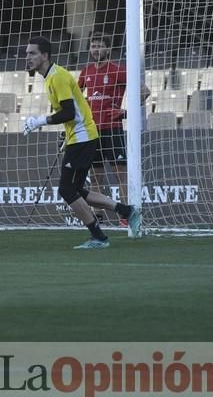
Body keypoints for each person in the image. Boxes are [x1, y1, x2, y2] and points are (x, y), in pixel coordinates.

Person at [23, 35, 140, 248]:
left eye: (32, 53)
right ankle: (126, 211)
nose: (27, 57)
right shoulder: (51, 76)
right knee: (76, 189)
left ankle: (99, 237)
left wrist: (39, 121)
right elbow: (73, 110)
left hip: (83, 137)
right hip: (79, 136)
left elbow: (68, 113)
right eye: (27, 53)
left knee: (67, 190)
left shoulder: (57, 77)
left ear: (45, 55)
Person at [78, 32, 150, 224]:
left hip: (113, 129)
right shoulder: (86, 72)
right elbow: (76, 99)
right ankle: (98, 216)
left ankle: (126, 215)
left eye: (100, 46)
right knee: (96, 176)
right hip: (93, 131)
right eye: (93, 46)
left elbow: (145, 91)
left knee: (120, 174)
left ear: (108, 49)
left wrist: (125, 113)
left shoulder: (118, 70)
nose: (96, 50)